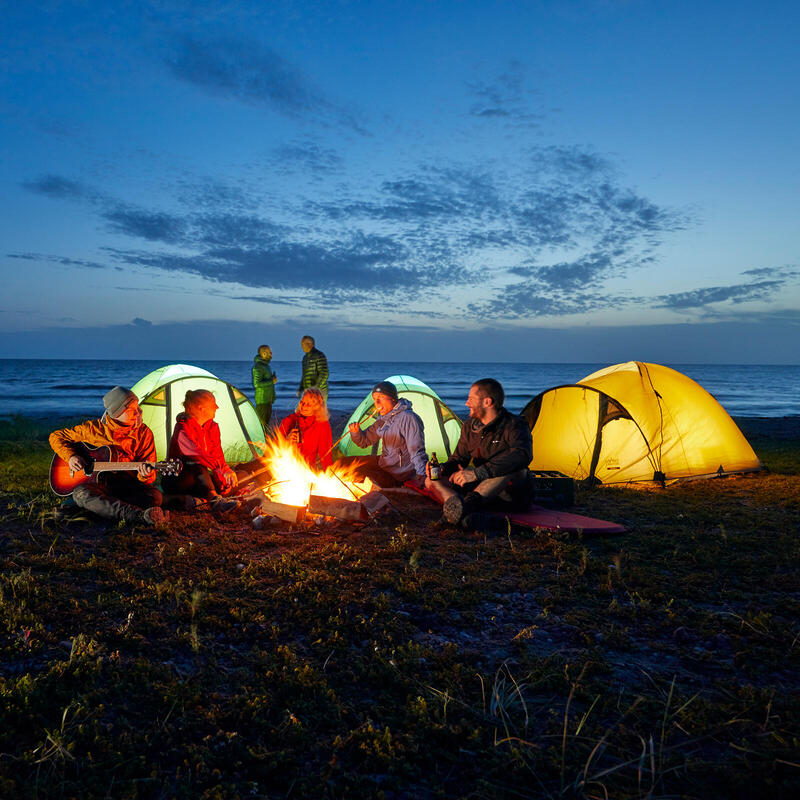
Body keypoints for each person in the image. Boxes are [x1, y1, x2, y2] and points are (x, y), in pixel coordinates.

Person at [49, 386, 166, 526]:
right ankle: (139, 516)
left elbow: (147, 478)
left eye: (138, 407)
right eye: (132, 410)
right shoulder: (92, 430)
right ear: (117, 414)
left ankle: (96, 510)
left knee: (155, 496)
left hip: (126, 485)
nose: (139, 412)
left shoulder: (144, 433)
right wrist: (71, 456)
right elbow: (56, 436)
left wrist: (145, 474)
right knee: (81, 493)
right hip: (98, 486)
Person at [425, 378, 532, 526]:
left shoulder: (514, 424)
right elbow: (459, 458)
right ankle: (455, 507)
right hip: (478, 489)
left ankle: (465, 508)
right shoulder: (469, 427)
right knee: (431, 479)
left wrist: (477, 473)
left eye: (470, 399)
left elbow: (522, 455)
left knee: (513, 469)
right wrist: (442, 468)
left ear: (487, 402)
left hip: (509, 494)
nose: (466, 403)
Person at [162, 389, 239, 513]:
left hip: (200, 478)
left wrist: (223, 478)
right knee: (196, 463)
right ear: (201, 408)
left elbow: (217, 455)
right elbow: (195, 454)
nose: (217, 407)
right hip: (177, 478)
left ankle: (212, 495)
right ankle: (214, 501)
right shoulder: (182, 428)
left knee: (238, 476)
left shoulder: (212, 427)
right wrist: (222, 469)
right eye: (213, 405)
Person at [340, 381, 428, 488]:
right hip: (384, 464)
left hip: (398, 474)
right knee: (344, 463)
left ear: (393, 398)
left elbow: (417, 450)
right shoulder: (383, 419)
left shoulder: (408, 418)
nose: (376, 402)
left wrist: (422, 475)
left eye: (380, 397)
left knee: (357, 472)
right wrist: (356, 433)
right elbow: (365, 441)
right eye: (374, 399)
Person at [278, 388, 333, 470]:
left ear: (317, 406)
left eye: (308, 404)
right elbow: (275, 450)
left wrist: (330, 476)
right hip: (286, 468)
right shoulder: (289, 421)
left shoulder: (322, 424)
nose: (303, 406)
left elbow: (326, 455)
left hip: (307, 471)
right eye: (302, 402)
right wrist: (287, 442)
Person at [252, 344, 278, 430]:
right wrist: (271, 381)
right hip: (262, 400)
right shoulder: (258, 367)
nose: (271, 354)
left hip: (267, 399)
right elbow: (257, 384)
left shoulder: (266, 366)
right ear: (263, 354)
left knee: (266, 423)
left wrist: (272, 379)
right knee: (261, 424)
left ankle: (264, 440)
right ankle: (259, 441)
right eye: (269, 352)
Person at [298, 335, 329, 400]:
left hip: (319, 392)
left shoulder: (319, 355)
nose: (301, 346)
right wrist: (301, 389)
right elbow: (304, 375)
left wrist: (316, 389)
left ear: (309, 344)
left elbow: (324, 373)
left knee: (318, 410)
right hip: (308, 392)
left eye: (302, 344)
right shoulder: (305, 358)